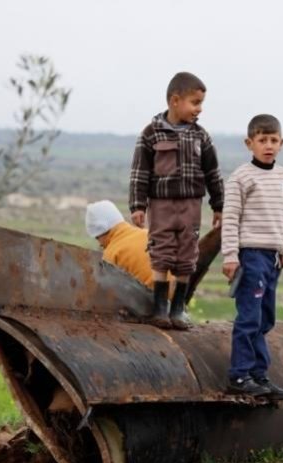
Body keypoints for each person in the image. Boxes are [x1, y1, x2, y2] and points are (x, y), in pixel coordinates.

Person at [129, 72, 224, 330]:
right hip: (161, 205)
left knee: (186, 253)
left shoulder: (201, 137)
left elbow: (213, 173)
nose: (199, 109)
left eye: (201, 103)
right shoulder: (151, 134)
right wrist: (137, 206)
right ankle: (159, 307)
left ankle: (178, 309)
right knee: (161, 250)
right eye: (195, 103)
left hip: (191, 205)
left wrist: (219, 206)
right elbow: (139, 173)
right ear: (175, 100)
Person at [221, 114, 283, 399]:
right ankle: (240, 375)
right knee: (249, 317)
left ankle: (259, 374)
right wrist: (230, 256)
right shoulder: (241, 178)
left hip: (274, 258)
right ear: (250, 143)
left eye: (273, 140)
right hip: (250, 255)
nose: (268, 146)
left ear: (281, 143)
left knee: (266, 318)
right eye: (262, 140)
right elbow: (230, 219)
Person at [85, 200, 173, 328]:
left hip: (151, 308)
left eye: (97, 237)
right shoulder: (147, 233)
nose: (99, 243)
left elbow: (106, 297)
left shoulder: (111, 253)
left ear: (102, 231)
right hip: (174, 304)